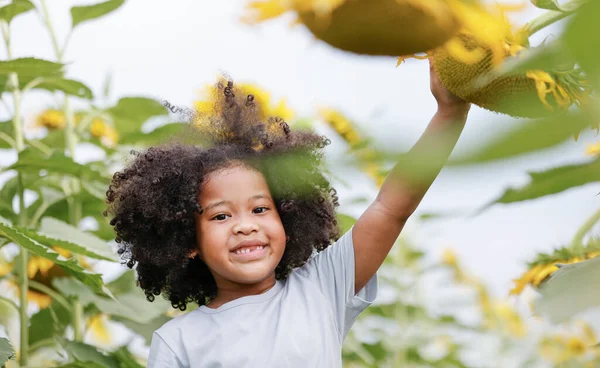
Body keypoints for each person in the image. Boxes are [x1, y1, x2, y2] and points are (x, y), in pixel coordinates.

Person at [104, 63, 470, 367]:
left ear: (289, 221)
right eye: (220, 217)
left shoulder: (322, 288)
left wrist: (450, 114)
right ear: (187, 242)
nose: (245, 225)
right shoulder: (177, 341)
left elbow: (390, 208)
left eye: (260, 209)